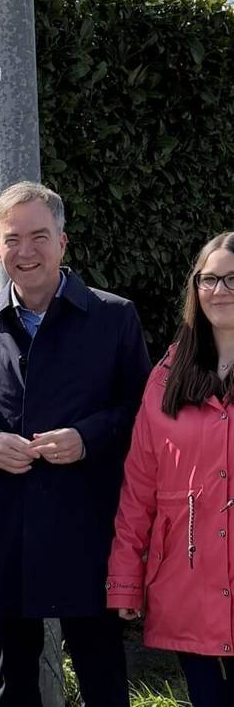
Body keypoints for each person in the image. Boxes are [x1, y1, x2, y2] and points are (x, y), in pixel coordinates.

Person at [0, 181, 152, 707]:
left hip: (88, 524)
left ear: (63, 242)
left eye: (39, 237)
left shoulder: (114, 316)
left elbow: (142, 411)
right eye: (12, 239)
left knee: (102, 673)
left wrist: (87, 438)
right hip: (4, 527)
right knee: (12, 682)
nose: (25, 252)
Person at [108, 232, 234, 705]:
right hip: (188, 588)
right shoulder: (167, 376)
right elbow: (139, 487)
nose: (219, 291)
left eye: (232, 279)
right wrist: (124, 581)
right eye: (209, 279)